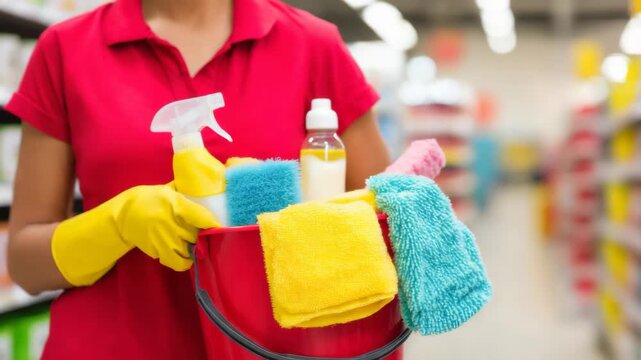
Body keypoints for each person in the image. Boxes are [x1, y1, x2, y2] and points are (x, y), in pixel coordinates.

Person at [5, 0, 391, 358]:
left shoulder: (312, 45)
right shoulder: (67, 48)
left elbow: (386, 219)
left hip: (275, 348)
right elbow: (25, 265)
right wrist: (116, 223)